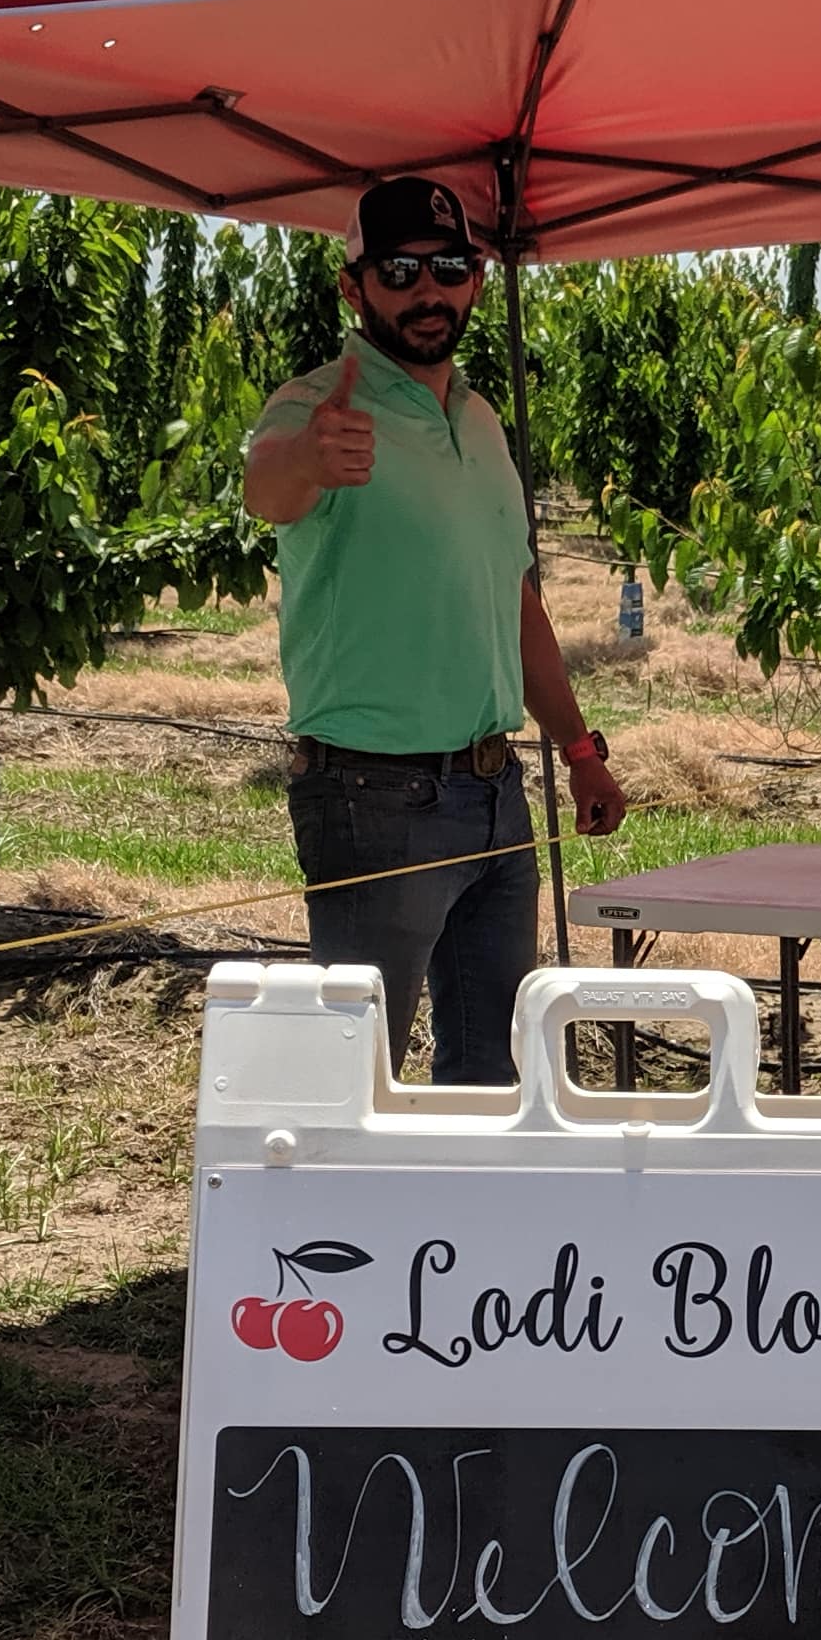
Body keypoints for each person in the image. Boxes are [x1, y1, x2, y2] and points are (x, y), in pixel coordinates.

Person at [242, 176, 625, 1085]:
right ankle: (329, 1232)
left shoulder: (482, 421)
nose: (428, 290)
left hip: (496, 793)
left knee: (494, 1073)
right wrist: (305, 457)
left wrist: (577, 749)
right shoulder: (315, 405)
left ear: (477, 281)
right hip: (375, 801)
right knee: (351, 1076)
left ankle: (470, 1233)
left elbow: (515, 596)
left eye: (449, 267)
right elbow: (267, 488)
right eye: (400, 270)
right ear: (354, 287)